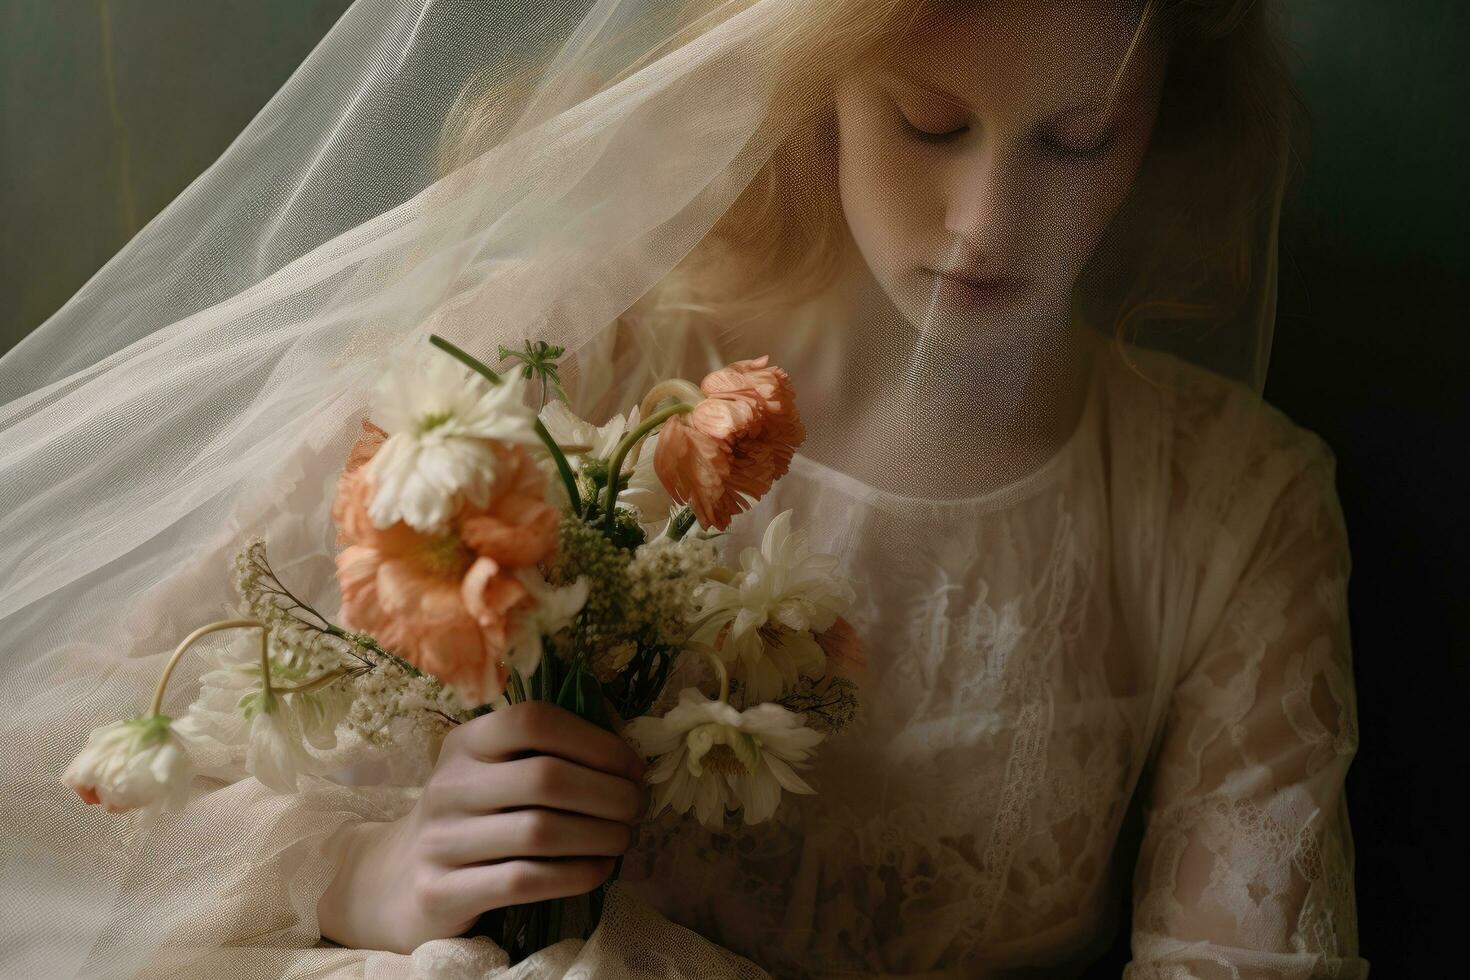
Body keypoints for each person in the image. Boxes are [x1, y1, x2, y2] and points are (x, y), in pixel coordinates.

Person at [0, 0, 1366, 978]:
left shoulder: (1231, 506)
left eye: (1076, 144)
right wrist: (363, 872)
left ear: (1157, 129)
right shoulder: (552, 360)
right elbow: (63, 765)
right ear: (815, 89)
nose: (989, 224)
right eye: (928, 123)